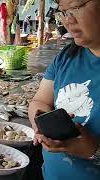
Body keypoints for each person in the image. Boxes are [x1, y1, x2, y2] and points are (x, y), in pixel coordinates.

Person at [28, 0, 100, 179]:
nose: (68, 20)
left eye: (76, 8)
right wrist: (43, 125)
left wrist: (94, 151)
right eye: (63, 12)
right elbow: (41, 101)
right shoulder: (65, 57)